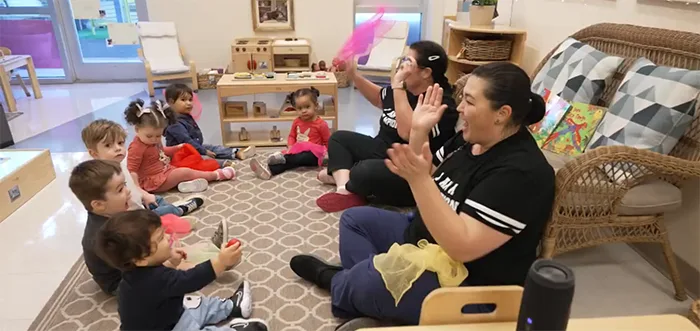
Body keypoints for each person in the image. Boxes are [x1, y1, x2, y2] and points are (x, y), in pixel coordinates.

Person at [289, 62, 556, 329]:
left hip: (466, 284)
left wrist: (419, 181)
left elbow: (460, 247)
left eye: (470, 102)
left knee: (365, 282)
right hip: (423, 236)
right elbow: (425, 167)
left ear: (502, 113)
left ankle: (338, 281)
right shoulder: (472, 138)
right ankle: (369, 290)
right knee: (354, 221)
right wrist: (418, 131)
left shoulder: (522, 173)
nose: (460, 108)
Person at [316, 40, 459, 212]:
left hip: (408, 169)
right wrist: (354, 75)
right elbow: (379, 98)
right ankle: (345, 191)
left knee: (363, 170)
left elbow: (406, 132)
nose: (402, 66)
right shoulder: (406, 86)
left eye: (408, 62)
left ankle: (345, 175)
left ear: (426, 72)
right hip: (383, 149)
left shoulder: (439, 102)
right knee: (339, 138)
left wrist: (398, 85)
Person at [94, 209, 266, 331]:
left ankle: (231, 307)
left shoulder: (135, 275)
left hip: (171, 316)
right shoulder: (154, 280)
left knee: (198, 305)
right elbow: (191, 279)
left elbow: (160, 283)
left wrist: (171, 262)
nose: (168, 237)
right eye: (161, 238)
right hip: (170, 327)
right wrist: (220, 262)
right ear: (140, 259)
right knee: (194, 310)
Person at [82, 119, 203, 216]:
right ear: (94, 153)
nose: (118, 148)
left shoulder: (120, 165)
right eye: (108, 145)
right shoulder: (103, 177)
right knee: (161, 213)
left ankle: (171, 209)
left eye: (120, 143)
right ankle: (179, 210)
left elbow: (133, 187)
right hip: (132, 215)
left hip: (139, 202)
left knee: (158, 199)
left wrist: (144, 195)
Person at [125, 99, 236, 194]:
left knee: (189, 165)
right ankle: (216, 175)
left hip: (164, 171)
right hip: (153, 182)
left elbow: (161, 151)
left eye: (158, 136)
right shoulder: (136, 148)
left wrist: (177, 148)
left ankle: (185, 185)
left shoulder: (152, 142)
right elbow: (132, 170)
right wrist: (138, 189)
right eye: (149, 136)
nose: (154, 139)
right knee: (183, 172)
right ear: (137, 130)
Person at [68, 159, 133, 295]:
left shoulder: (113, 215)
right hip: (120, 283)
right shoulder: (104, 236)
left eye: (125, 185)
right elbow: (135, 265)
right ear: (98, 205)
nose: (127, 191)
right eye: (120, 189)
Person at [164, 84, 256, 168]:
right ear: (171, 102)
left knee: (212, 148)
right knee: (202, 157)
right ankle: (221, 164)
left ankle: (236, 152)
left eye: (190, 99)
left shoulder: (184, 116)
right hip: (181, 155)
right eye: (183, 100)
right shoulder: (174, 123)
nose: (188, 103)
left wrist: (203, 149)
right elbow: (187, 142)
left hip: (194, 147)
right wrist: (203, 151)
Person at [249, 87, 330, 180]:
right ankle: (270, 170)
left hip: (313, 155)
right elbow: (292, 136)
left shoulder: (321, 124)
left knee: (300, 157)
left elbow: (328, 141)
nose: (303, 111)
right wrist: (290, 146)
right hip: (297, 150)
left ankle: (279, 160)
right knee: (291, 162)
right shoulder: (297, 122)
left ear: (316, 105)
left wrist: (329, 157)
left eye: (307, 107)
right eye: (299, 108)